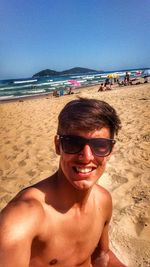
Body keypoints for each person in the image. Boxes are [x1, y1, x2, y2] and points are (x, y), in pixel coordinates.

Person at [0, 98, 127, 267]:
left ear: (110, 151)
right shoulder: (20, 222)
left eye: (100, 145)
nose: (87, 157)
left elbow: (101, 256)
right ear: (58, 146)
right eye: (74, 143)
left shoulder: (103, 201)